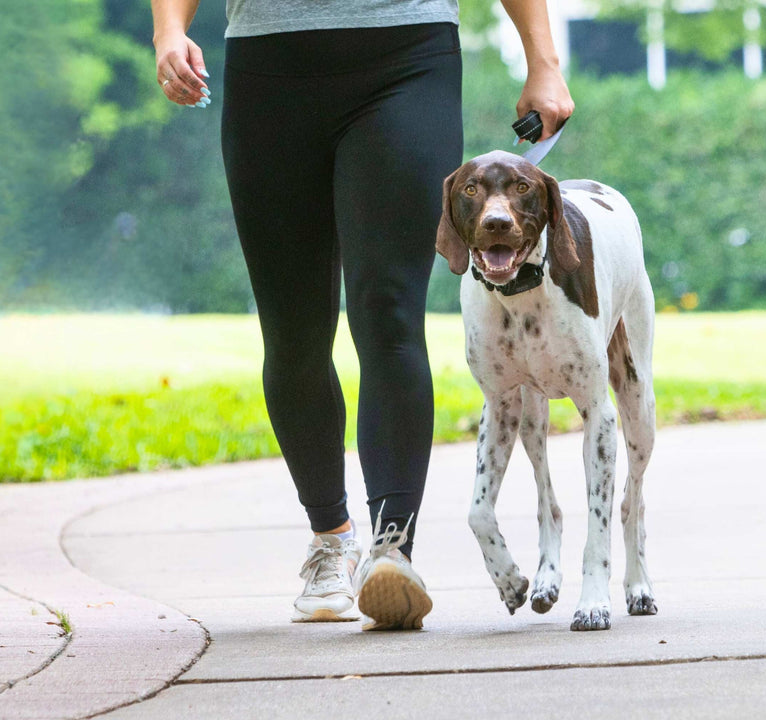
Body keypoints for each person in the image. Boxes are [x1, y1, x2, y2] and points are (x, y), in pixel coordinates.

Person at [150, 0, 574, 630]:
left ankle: (392, 551)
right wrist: (169, 30)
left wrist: (543, 60)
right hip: (269, 67)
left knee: (388, 314)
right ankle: (331, 537)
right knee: (293, 333)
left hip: (407, 55)